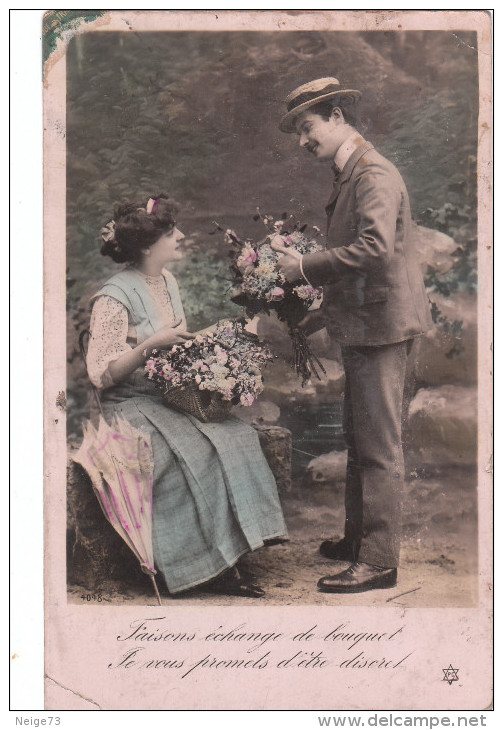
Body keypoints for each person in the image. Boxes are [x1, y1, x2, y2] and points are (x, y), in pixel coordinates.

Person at [274, 78, 432, 593]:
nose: (303, 139)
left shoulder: (373, 174)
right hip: (367, 322)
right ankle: (359, 539)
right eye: (299, 130)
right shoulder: (351, 174)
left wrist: (303, 267)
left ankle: (379, 561)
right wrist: (317, 312)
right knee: (359, 438)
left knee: (379, 446)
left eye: (308, 126)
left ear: (338, 116)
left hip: (382, 329)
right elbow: (364, 263)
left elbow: (375, 251)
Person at [86, 194, 288, 598]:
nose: (180, 236)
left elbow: (177, 348)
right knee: (191, 453)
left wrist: (219, 349)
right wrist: (149, 346)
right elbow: (100, 375)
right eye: (170, 232)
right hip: (128, 405)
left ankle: (237, 549)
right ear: (147, 246)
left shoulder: (167, 282)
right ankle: (202, 567)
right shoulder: (113, 296)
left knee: (235, 436)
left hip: (166, 395)